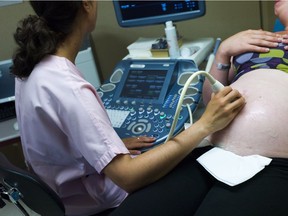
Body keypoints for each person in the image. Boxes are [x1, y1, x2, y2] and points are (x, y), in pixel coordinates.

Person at [11, 1, 245, 216]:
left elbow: (55, 143)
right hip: (94, 202)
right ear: (86, 4)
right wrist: (205, 125)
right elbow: (128, 178)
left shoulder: (30, 66)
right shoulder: (70, 87)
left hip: (63, 195)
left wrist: (109, 149)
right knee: (201, 160)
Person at [111, 1, 288, 216]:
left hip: (273, 161)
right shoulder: (252, 40)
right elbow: (208, 100)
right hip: (210, 147)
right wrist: (223, 53)